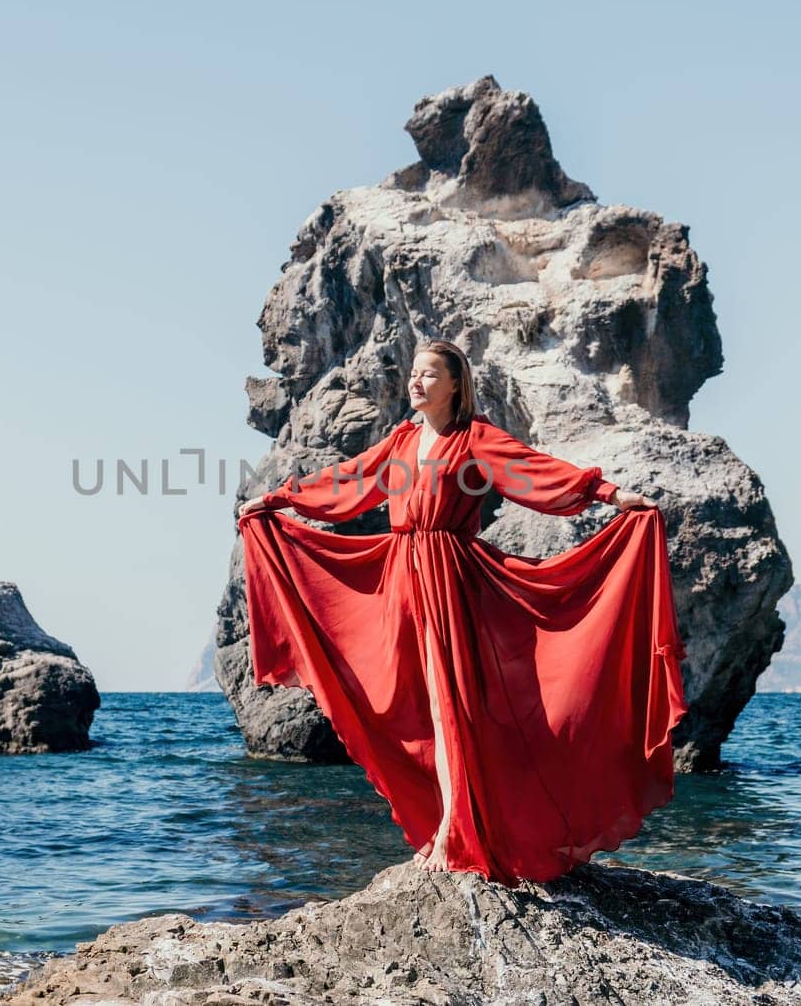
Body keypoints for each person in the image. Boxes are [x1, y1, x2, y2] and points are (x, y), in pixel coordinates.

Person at [236, 339, 688, 885]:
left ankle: (456, 828)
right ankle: (447, 824)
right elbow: (348, 482)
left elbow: (536, 472)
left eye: (430, 375)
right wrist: (278, 501)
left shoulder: (475, 440)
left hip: (452, 582)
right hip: (401, 576)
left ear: (455, 385)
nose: (416, 382)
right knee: (421, 707)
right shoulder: (402, 442)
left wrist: (611, 496)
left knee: (452, 706)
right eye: (414, 373)